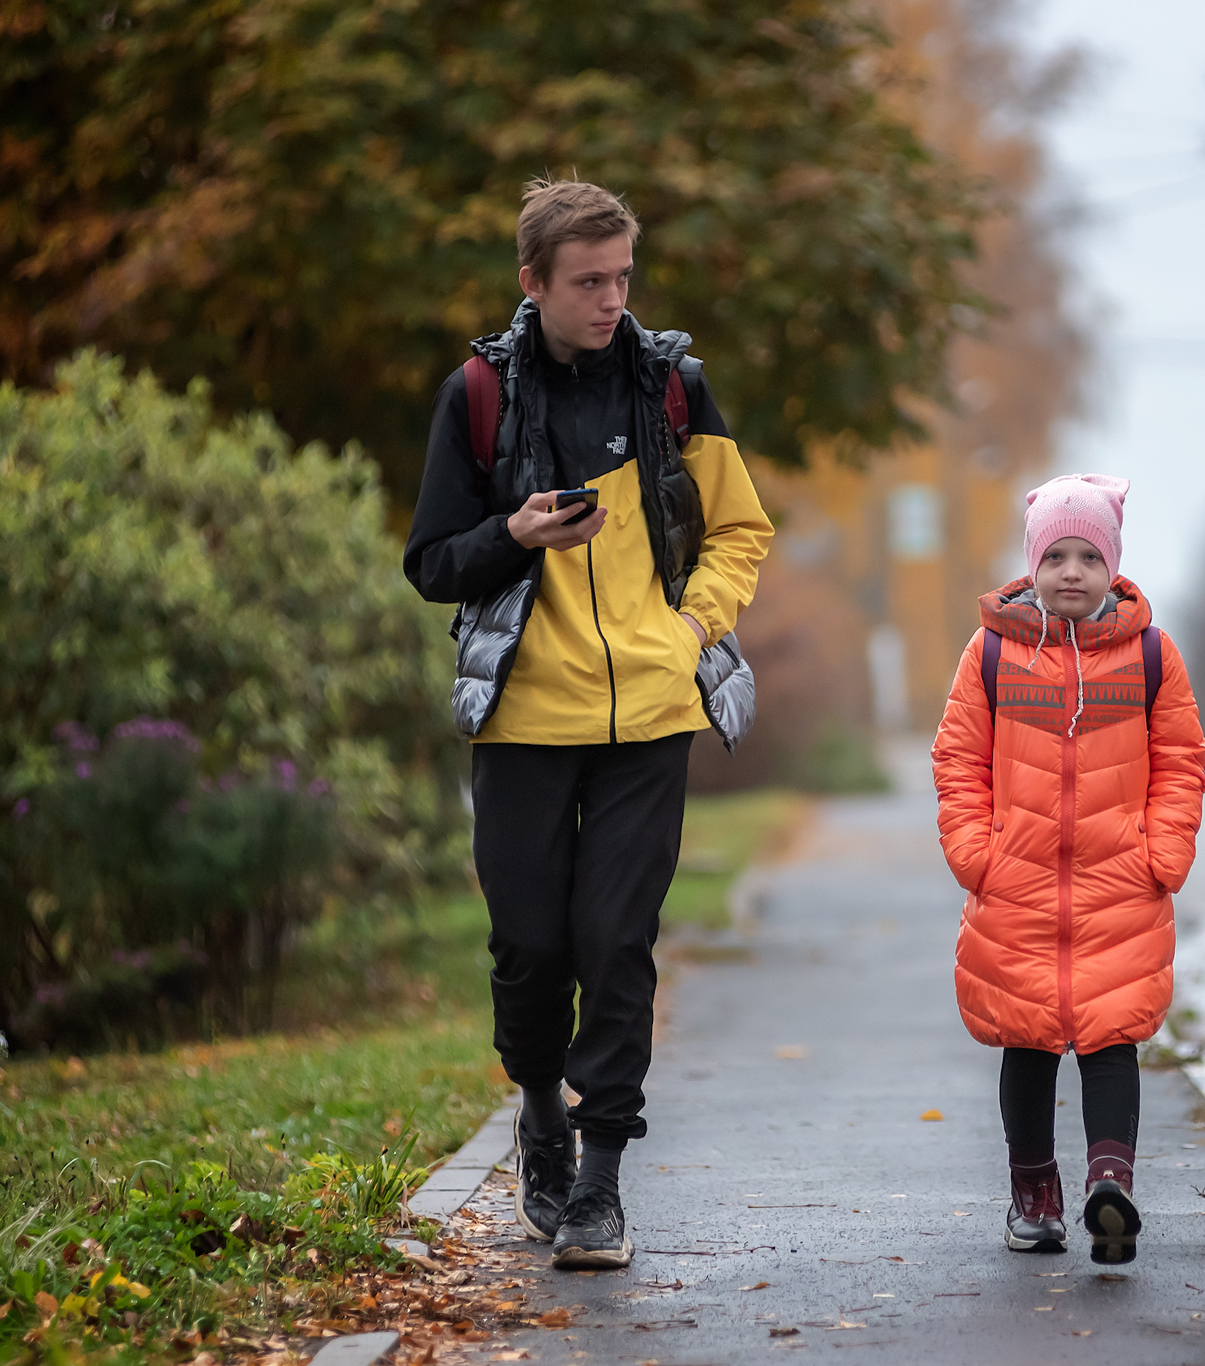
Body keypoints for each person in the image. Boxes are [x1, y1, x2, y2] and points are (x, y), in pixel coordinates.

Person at [403, 180, 772, 1269]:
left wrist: (685, 626)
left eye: (622, 277)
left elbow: (740, 529)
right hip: (520, 719)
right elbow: (430, 564)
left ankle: (600, 1181)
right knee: (530, 944)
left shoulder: (671, 386)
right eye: (587, 282)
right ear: (534, 283)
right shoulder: (477, 394)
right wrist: (512, 534)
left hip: (649, 715)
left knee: (616, 944)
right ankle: (536, 1106)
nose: (611, 299)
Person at [931, 474, 1205, 1264]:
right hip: (1014, 884)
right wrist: (975, 854)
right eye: (1058, 555)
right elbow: (958, 759)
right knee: (1027, 1042)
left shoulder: (1152, 656)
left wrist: (1164, 853)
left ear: (1112, 565)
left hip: (1121, 884)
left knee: (1111, 1038)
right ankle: (1034, 1191)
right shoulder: (990, 653)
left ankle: (1107, 1186)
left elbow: (1182, 759)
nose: (1073, 571)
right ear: (1033, 564)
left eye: (1090, 555)